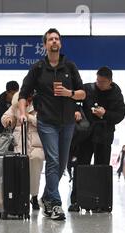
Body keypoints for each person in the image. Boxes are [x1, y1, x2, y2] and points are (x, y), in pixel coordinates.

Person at [18, 28, 86, 220]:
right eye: (50, 39)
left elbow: (83, 93)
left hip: (67, 123)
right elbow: (24, 94)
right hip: (47, 122)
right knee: (54, 160)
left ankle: (47, 196)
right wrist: (22, 113)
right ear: (45, 45)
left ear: (60, 43)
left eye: (57, 39)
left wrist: (69, 93)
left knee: (62, 163)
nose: (54, 41)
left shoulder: (70, 67)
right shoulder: (38, 68)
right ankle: (55, 204)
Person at [68, 66, 125, 211]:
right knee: (81, 167)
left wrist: (105, 114)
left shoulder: (116, 94)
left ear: (110, 81)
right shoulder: (88, 89)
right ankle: (76, 201)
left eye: (102, 82)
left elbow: (120, 115)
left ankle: (101, 202)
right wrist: (76, 112)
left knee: (102, 169)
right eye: (98, 80)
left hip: (104, 136)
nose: (99, 84)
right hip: (86, 135)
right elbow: (73, 101)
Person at [2, 91, 44, 211]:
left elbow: (43, 123)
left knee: (36, 168)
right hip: (19, 142)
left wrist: (29, 117)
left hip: (36, 143)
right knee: (20, 169)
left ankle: (34, 196)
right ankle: (21, 196)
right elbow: (5, 117)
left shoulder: (41, 104)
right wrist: (8, 120)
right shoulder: (16, 104)